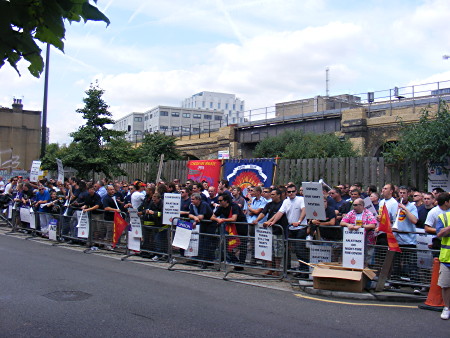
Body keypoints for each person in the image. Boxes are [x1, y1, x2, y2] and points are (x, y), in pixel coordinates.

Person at [255, 188, 288, 276]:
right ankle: (270, 269)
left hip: (278, 231)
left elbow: (277, 215)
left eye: (273, 194)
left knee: (278, 252)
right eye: (271, 194)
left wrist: (269, 222)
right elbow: (263, 213)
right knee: (268, 250)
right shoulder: (269, 204)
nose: (271, 196)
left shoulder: (283, 204)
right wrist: (257, 220)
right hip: (269, 231)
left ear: (279, 195)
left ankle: (277, 270)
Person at [211, 193, 247, 271]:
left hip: (241, 227)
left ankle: (241, 264)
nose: (219, 202)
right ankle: (236, 262)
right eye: (218, 200)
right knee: (227, 246)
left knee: (242, 246)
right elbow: (212, 216)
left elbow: (234, 218)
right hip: (231, 228)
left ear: (226, 201)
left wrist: (223, 220)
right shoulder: (221, 207)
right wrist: (218, 219)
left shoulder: (234, 206)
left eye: (221, 200)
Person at [189, 193, 214, 268]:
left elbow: (201, 216)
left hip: (210, 225)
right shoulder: (192, 205)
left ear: (198, 199)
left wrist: (196, 219)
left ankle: (206, 261)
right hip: (203, 224)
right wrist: (194, 217)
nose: (191, 201)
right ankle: (203, 259)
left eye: (193, 199)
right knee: (202, 242)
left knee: (207, 242)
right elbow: (190, 214)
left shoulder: (204, 204)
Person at [435, 206, 450, 320]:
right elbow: (439, 234)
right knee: (445, 285)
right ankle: (447, 307)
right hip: (447, 258)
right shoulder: (444, 216)